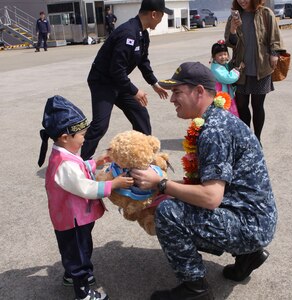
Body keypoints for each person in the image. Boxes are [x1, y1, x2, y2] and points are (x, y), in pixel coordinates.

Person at [130, 62, 277, 300]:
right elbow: (208, 184)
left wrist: (162, 184)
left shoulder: (214, 131)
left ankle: (194, 289)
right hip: (252, 216)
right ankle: (248, 256)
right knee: (173, 196)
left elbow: (210, 198)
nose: (172, 99)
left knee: (168, 212)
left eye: (177, 92)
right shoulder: (217, 119)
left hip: (250, 224)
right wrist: (161, 183)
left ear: (199, 92)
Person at [38, 95, 134, 300]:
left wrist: (95, 162)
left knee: (76, 249)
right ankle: (82, 292)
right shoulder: (64, 163)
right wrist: (113, 184)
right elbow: (85, 187)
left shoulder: (65, 156)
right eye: (82, 135)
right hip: (72, 220)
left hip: (72, 217)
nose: (84, 138)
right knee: (78, 252)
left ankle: (71, 276)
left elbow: (77, 170)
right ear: (65, 137)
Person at [80, 0, 173, 161]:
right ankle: (80, 161)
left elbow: (143, 61)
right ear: (153, 14)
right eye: (162, 16)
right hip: (103, 82)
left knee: (140, 113)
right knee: (100, 125)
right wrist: (135, 91)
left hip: (118, 82)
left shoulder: (142, 33)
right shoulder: (128, 33)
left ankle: (143, 155)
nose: (161, 19)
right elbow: (116, 70)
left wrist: (154, 83)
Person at [224, 0, 282, 143]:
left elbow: (274, 35)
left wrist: (274, 53)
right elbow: (229, 43)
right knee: (242, 105)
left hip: (261, 68)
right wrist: (232, 29)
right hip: (240, 69)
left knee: (257, 105)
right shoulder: (234, 17)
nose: (242, 1)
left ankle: (257, 139)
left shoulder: (265, 13)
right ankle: (246, 138)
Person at [210, 39, 242, 117]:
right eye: (220, 55)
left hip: (225, 94)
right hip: (222, 97)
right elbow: (228, 78)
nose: (223, 57)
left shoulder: (221, 65)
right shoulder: (216, 68)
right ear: (214, 57)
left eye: (225, 54)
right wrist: (236, 70)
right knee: (226, 114)